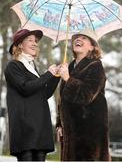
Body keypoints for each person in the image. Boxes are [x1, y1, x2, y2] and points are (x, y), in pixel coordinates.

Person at [4, 29, 60, 161]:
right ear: (20, 45)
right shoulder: (13, 66)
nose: (35, 43)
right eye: (30, 40)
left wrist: (55, 77)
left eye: (35, 41)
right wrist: (48, 75)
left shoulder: (33, 68)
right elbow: (25, 88)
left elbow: (43, 94)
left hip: (40, 128)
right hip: (25, 129)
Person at [56, 29, 111, 161]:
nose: (77, 40)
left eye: (83, 38)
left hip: (89, 134)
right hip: (70, 132)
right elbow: (63, 99)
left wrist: (68, 79)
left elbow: (86, 95)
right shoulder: (69, 67)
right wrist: (59, 124)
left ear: (92, 46)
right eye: (76, 38)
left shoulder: (96, 66)